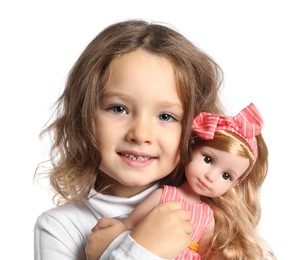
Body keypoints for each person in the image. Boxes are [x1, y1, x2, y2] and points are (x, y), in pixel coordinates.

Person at [34, 19, 224, 260]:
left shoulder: (213, 220)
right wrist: (143, 250)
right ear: (83, 116)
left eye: (166, 116)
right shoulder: (59, 228)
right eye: (118, 109)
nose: (140, 134)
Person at [88, 103, 275, 260]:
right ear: (191, 148)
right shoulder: (166, 194)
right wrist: (116, 234)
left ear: (235, 184)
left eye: (226, 176)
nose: (211, 176)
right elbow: (130, 224)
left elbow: (206, 251)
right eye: (208, 160)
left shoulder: (208, 215)